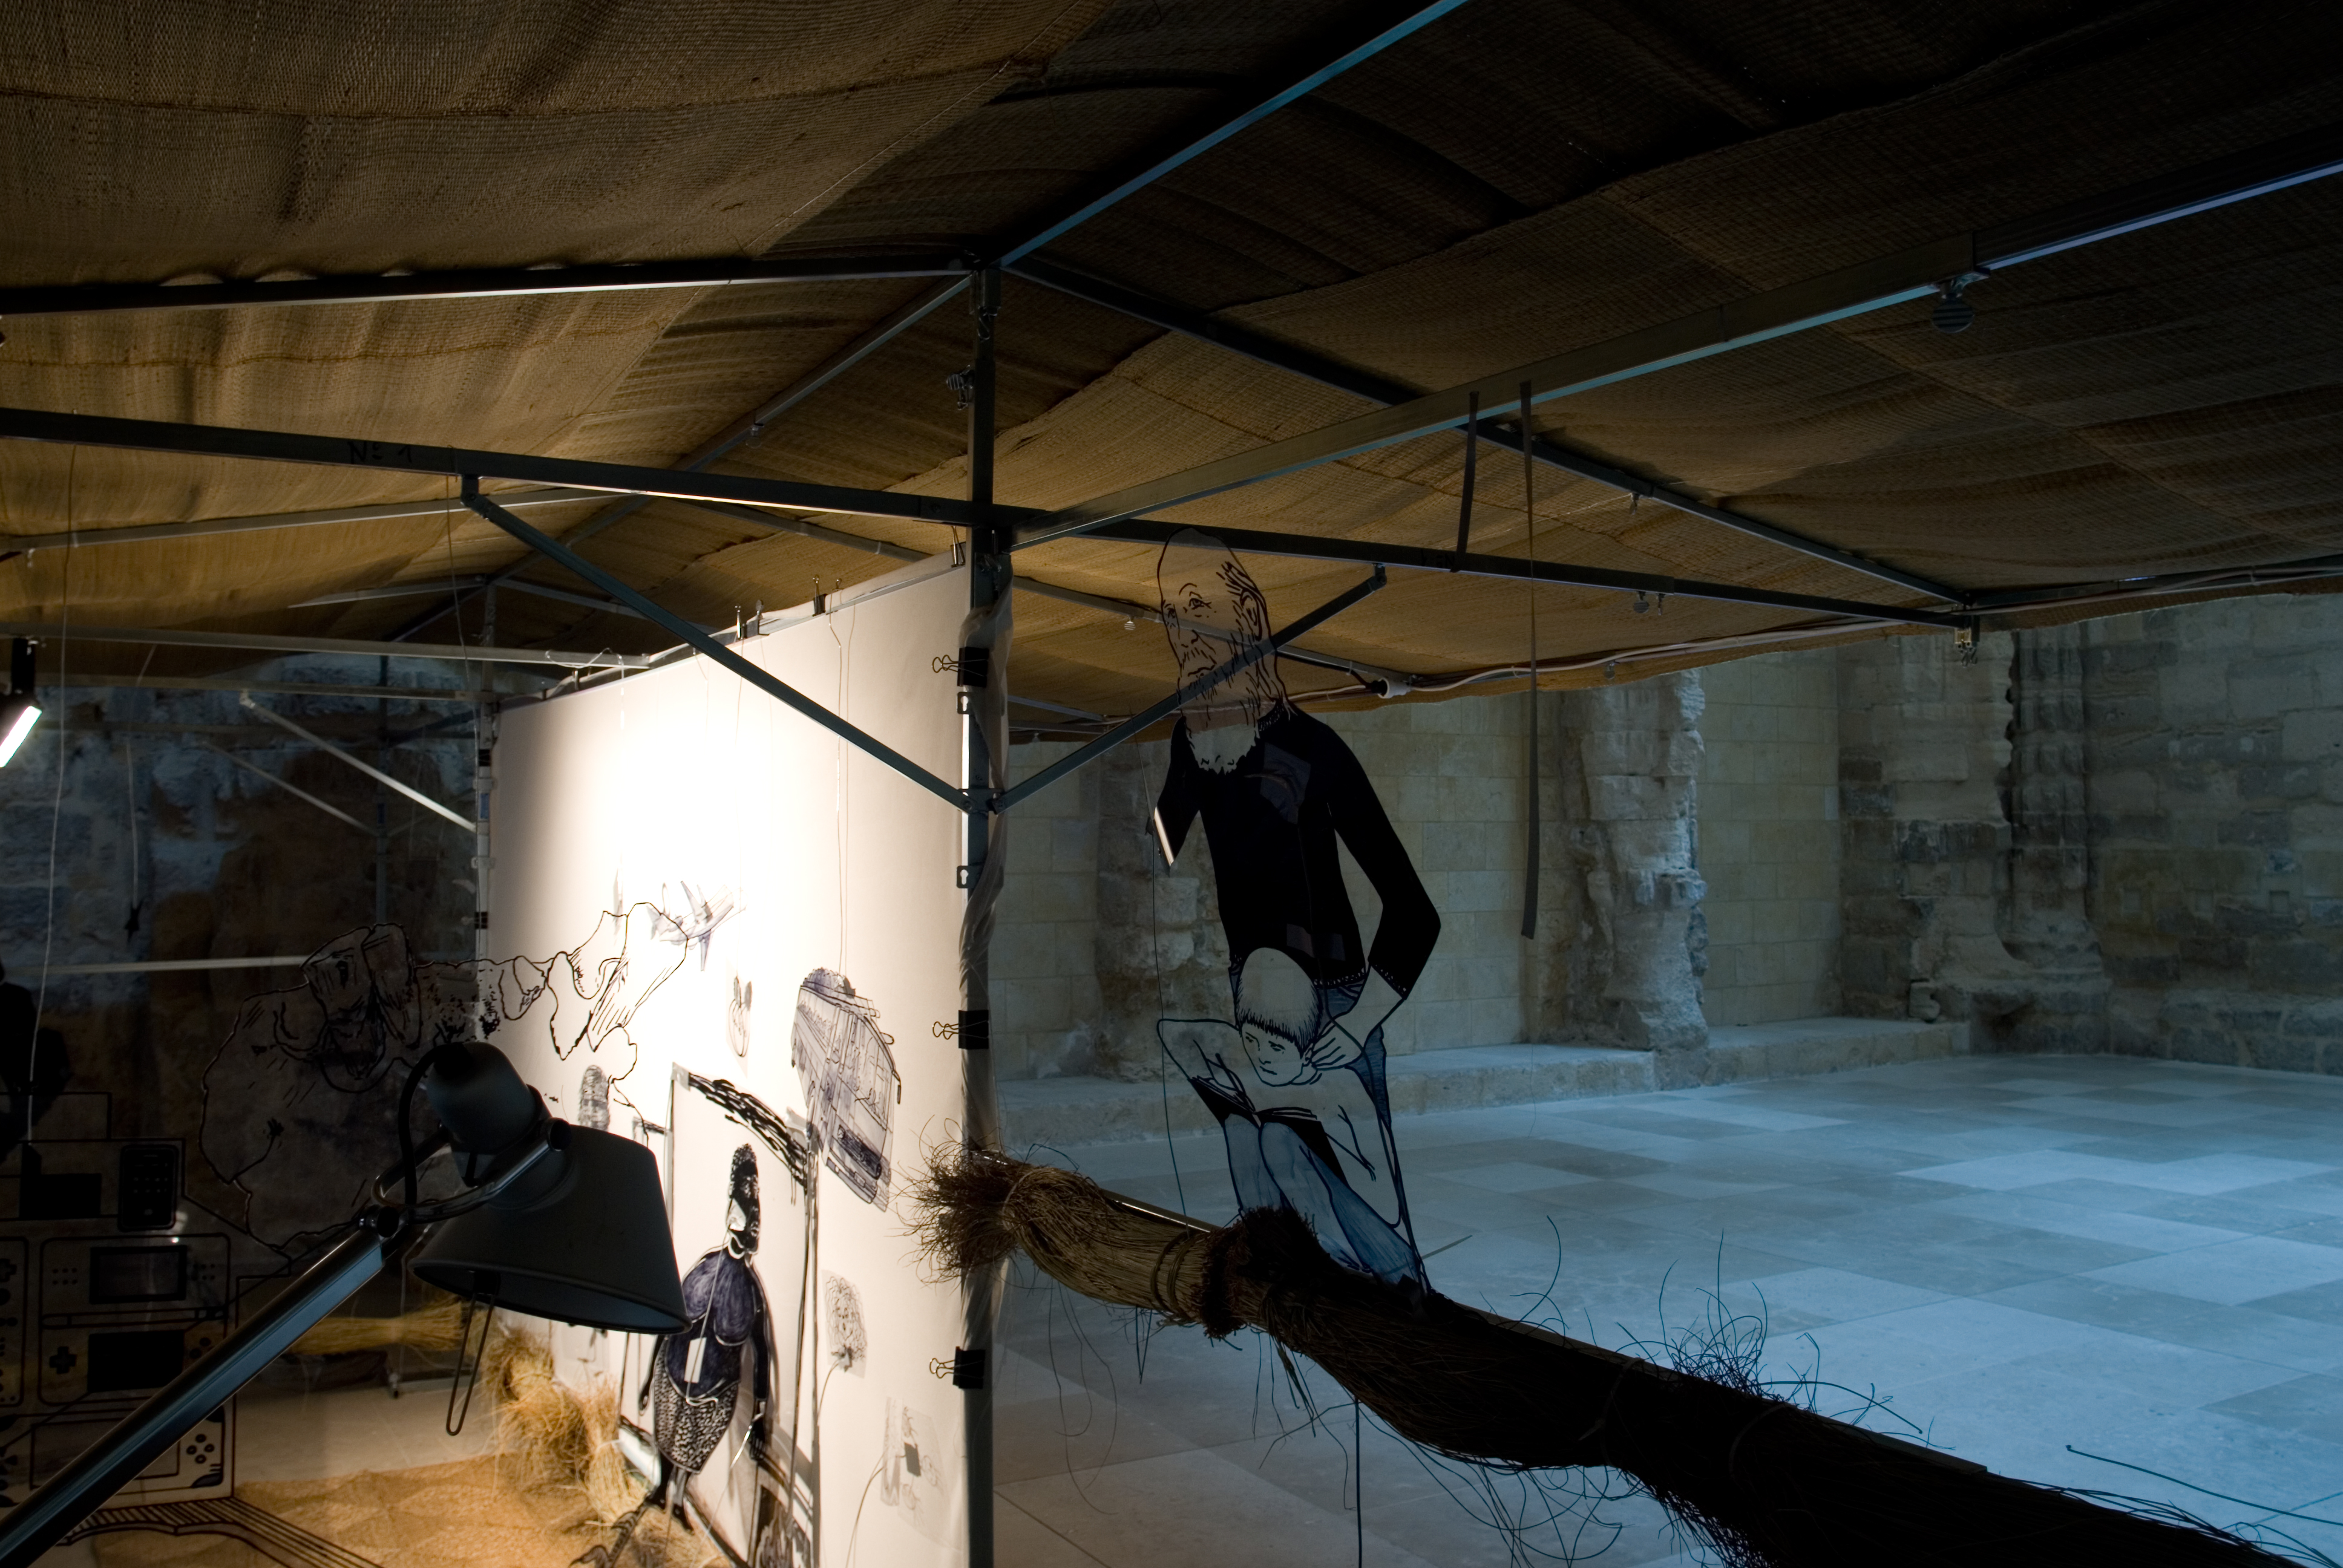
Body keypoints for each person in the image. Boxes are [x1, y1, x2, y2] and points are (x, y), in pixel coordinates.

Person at [1150, 531, 1440, 1284]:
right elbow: (1161, 842)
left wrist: (1357, 1023)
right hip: (1253, 1006)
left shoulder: (1314, 750)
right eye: (1171, 619)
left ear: (1247, 617)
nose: (1184, 637)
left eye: (1196, 610)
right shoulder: (1193, 745)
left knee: (1367, 1220)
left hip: (1331, 1010)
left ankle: (1397, 1320)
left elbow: (1414, 911)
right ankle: (1295, 1307)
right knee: (1272, 1188)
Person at [1161, 949, 1423, 1285]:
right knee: (1241, 1128)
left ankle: (1330, 1261)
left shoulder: (1341, 1086)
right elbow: (1168, 1030)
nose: (1262, 1057)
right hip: (1304, 1236)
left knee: (1277, 1136)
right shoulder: (1256, 1080)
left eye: (1277, 1047)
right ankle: (1271, 1249)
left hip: (1375, 1247)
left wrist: (1328, 1141)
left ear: (1308, 1047)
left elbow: (1388, 1206)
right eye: (1251, 1041)